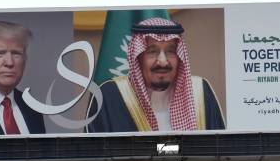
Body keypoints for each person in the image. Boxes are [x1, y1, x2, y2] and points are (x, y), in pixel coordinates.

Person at [87, 17, 225, 133]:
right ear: (138, 58)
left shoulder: (200, 92)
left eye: (170, 51)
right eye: (152, 52)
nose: (163, 61)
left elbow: (221, 155)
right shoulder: (111, 96)